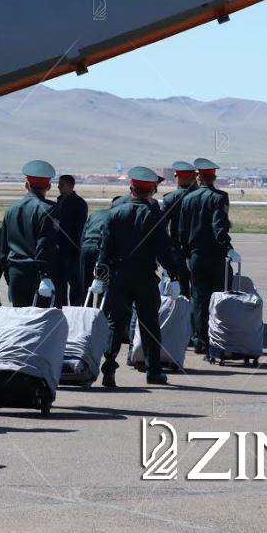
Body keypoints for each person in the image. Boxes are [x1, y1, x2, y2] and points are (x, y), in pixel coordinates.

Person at [91, 167, 177, 387]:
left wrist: (100, 275)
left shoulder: (115, 213)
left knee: (115, 324)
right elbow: (164, 249)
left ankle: (109, 369)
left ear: (131, 188)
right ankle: (153, 371)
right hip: (144, 276)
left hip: (118, 276)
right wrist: (174, 275)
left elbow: (105, 248)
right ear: (152, 191)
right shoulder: (153, 215)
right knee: (149, 324)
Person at [177, 157, 239, 356]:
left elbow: (182, 231)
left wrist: (186, 253)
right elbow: (218, 226)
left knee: (199, 298)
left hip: (195, 256)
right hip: (216, 256)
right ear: (214, 177)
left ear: (198, 177)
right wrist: (228, 247)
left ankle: (200, 341)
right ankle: (216, 339)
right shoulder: (220, 197)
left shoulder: (188, 199)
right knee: (219, 298)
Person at [0, 160, 58, 307]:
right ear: (49, 187)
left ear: (27, 185)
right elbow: (45, 244)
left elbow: (3, 246)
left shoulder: (11, 209)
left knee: (20, 317)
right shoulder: (49, 210)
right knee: (41, 318)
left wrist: (8, 273)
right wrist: (45, 275)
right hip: (37, 275)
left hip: (15, 272)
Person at [161, 160, 199, 296]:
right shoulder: (203, 196)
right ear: (194, 177)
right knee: (200, 289)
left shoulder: (170, 198)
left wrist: (167, 248)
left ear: (178, 178)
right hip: (199, 249)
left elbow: (162, 227)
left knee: (181, 291)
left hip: (178, 249)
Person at [50, 174, 88, 306]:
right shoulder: (59, 202)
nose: (58, 187)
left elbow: (81, 228)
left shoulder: (79, 203)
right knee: (59, 286)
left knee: (76, 286)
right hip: (58, 252)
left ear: (71, 186)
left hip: (73, 252)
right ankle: (60, 311)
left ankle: (75, 311)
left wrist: (77, 248)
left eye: (62, 184)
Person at [79, 196, 123, 305]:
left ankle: (85, 308)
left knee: (85, 283)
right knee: (103, 282)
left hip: (86, 247)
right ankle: (100, 308)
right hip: (101, 249)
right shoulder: (116, 216)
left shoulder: (95, 213)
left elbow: (83, 233)